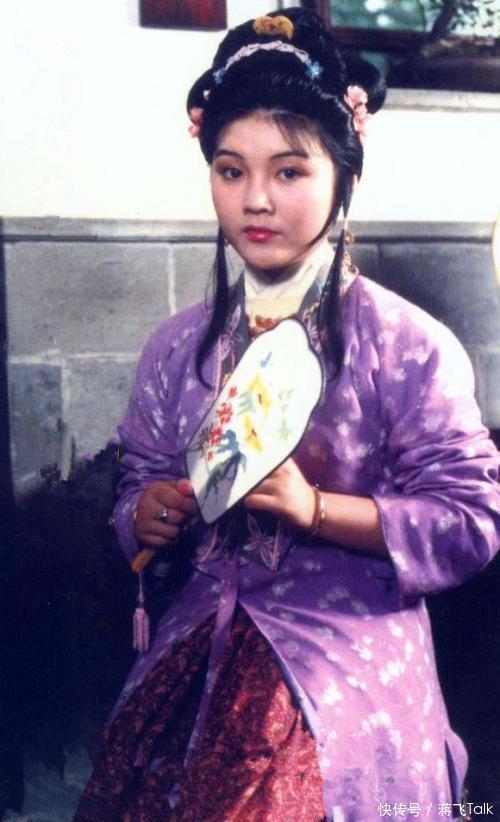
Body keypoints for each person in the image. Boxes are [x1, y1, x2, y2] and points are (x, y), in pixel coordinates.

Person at [74, 8, 500, 821]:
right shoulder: (178, 347)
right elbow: (140, 480)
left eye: (290, 171)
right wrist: (146, 511)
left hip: (347, 646)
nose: (256, 200)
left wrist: (317, 509)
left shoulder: (407, 345)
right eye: (231, 171)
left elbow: (472, 521)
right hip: (201, 633)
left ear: (344, 175)